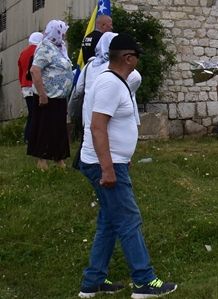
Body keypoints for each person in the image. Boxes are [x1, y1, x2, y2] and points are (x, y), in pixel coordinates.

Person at [78, 33, 177, 297]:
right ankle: (145, 281)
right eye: (136, 58)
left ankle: (93, 280)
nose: (137, 63)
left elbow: (112, 126)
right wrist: (109, 168)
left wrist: (122, 156)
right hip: (104, 165)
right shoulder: (110, 84)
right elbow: (98, 127)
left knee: (109, 222)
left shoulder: (115, 82)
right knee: (129, 220)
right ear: (128, 58)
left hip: (112, 161)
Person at [28, 20, 73, 168]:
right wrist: (42, 94)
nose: (65, 35)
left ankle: (59, 158)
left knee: (59, 128)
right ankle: (42, 161)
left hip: (59, 96)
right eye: (63, 31)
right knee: (45, 128)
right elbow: (35, 70)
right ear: (55, 32)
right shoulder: (45, 46)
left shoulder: (60, 47)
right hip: (47, 96)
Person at [73, 32, 118, 170]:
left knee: (89, 137)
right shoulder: (111, 67)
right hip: (106, 107)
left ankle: (84, 162)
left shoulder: (89, 65)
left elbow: (79, 88)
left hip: (88, 107)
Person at [18, 32, 43, 144]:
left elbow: (21, 72)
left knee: (31, 113)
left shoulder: (23, 53)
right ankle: (33, 137)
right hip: (35, 84)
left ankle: (28, 137)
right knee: (38, 113)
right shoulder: (38, 51)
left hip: (25, 85)